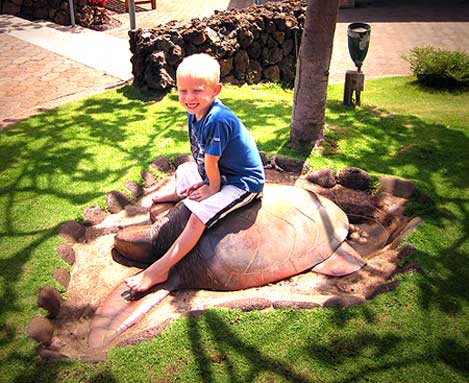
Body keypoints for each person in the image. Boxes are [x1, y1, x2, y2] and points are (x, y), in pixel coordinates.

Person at [125, 53, 265, 292]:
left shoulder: (217, 120)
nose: (189, 98)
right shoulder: (195, 111)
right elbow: (199, 154)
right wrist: (200, 180)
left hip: (241, 182)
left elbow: (212, 162)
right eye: (183, 91)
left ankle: (161, 269)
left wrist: (211, 187)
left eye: (197, 91)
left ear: (216, 90)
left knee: (198, 217)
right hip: (219, 173)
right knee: (184, 168)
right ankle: (181, 193)